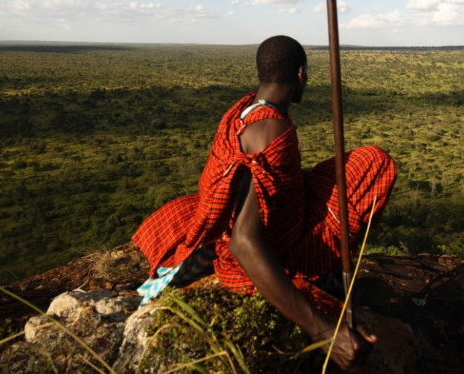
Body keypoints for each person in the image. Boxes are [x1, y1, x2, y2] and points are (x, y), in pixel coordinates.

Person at [132, 35, 396, 371]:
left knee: (351, 166)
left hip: (274, 218)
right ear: (300, 74)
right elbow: (244, 241)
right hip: (263, 253)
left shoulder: (246, 110)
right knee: (375, 164)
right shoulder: (271, 134)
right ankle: (314, 270)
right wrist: (326, 331)